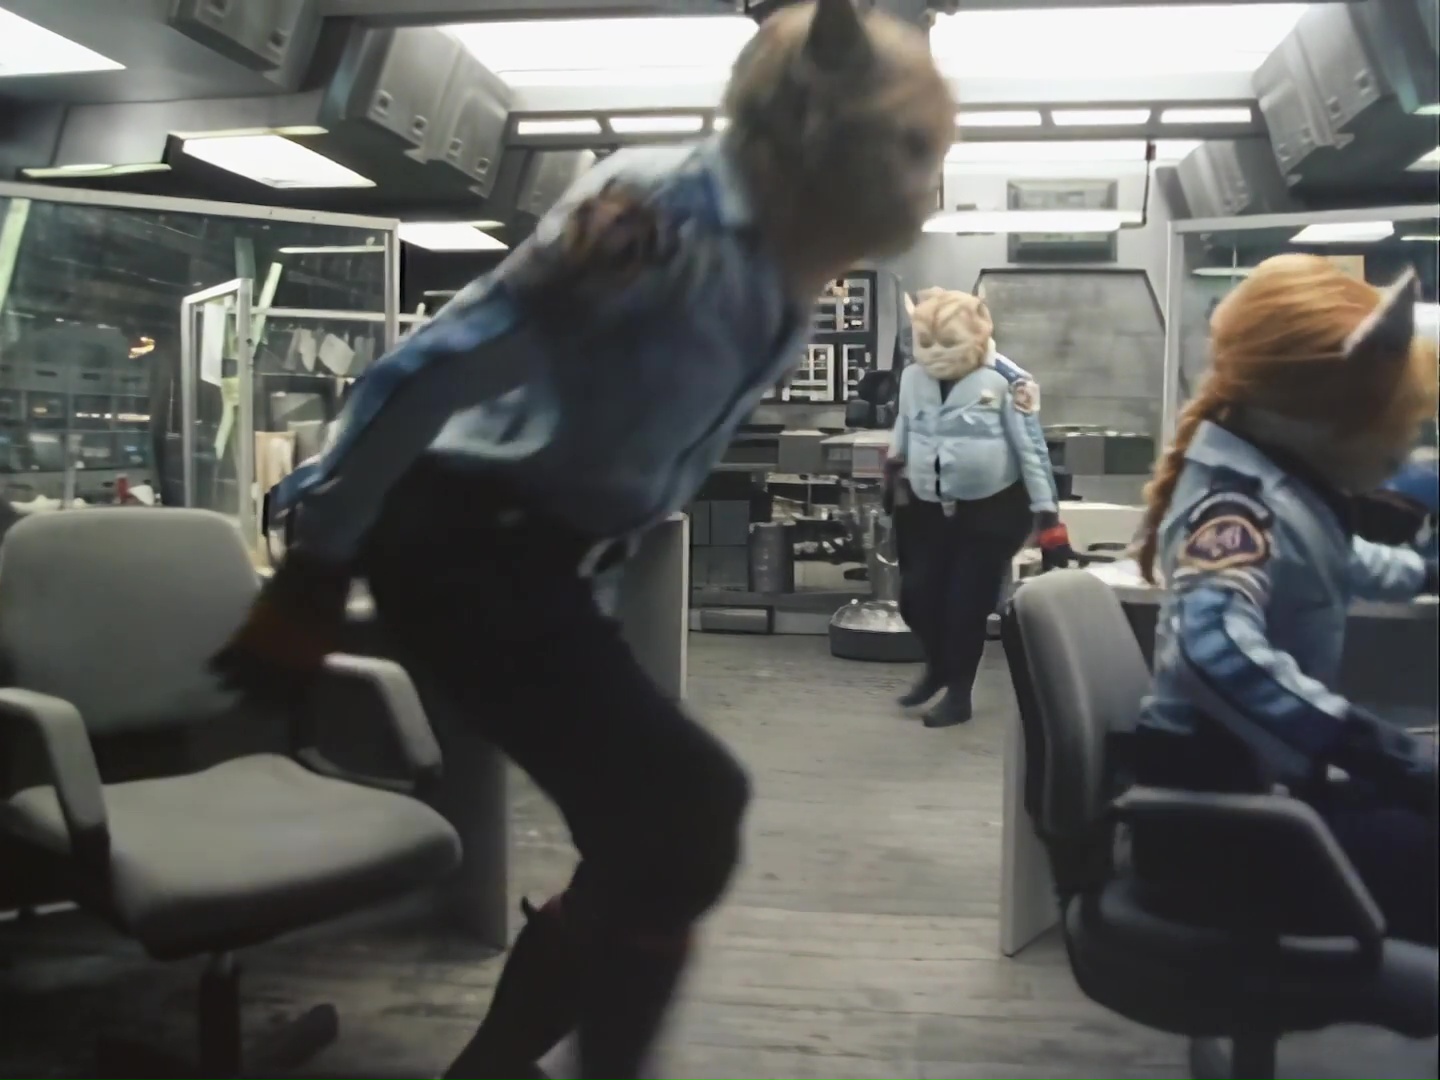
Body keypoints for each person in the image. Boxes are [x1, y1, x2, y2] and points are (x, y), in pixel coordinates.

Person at [209, 3, 956, 1079]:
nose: (923, 183)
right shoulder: (657, 218)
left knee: (654, 842)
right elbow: (436, 369)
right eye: (911, 148)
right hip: (458, 536)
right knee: (688, 812)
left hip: (539, 555)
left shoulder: (784, 262)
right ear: (820, 131)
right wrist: (318, 566)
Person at [1132, 254, 1440, 945]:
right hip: (1223, 834)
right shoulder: (1234, 507)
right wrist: (1370, 746)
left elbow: (1336, 560)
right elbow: (1213, 649)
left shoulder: (1279, 489)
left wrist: (1423, 575)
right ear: (1317, 411)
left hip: (1259, 800)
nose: (1398, 446)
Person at [887, 288, 1064, 728]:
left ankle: (959, 694)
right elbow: (906, 424)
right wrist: (894, 466)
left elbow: (1031, 448)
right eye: (926, 342)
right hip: (927, 505)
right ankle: (937, 667)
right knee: (916, 598)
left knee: (965, 604)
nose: (935, 352)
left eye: (947, 342)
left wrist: (1047, 512)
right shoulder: (913, 377)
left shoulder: (1009, 381)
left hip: (991, 508)